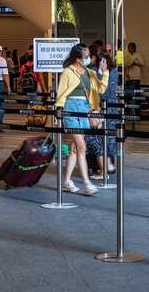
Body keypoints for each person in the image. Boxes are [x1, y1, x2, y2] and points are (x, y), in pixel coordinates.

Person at [56, 43, 108, 196]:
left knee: (74, 149)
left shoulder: (90, 72)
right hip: (70, 108)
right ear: (77, 57)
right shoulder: (67, 72)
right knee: (82, 146)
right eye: (86, 56)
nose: (88, 58)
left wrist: (104, 73)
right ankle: (87, 183)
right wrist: (59, 110)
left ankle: (66, 181)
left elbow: (101, 89)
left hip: (85, 108)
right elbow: (61, 93)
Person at [85, 46, 117, 179]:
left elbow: (103, 91)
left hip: (103, 108)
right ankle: (107, 165)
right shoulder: (113, 70)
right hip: (109, 108)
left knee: (98, 137)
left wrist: (101, 73)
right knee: (105, 137)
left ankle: (106, 167)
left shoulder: (103, 72)